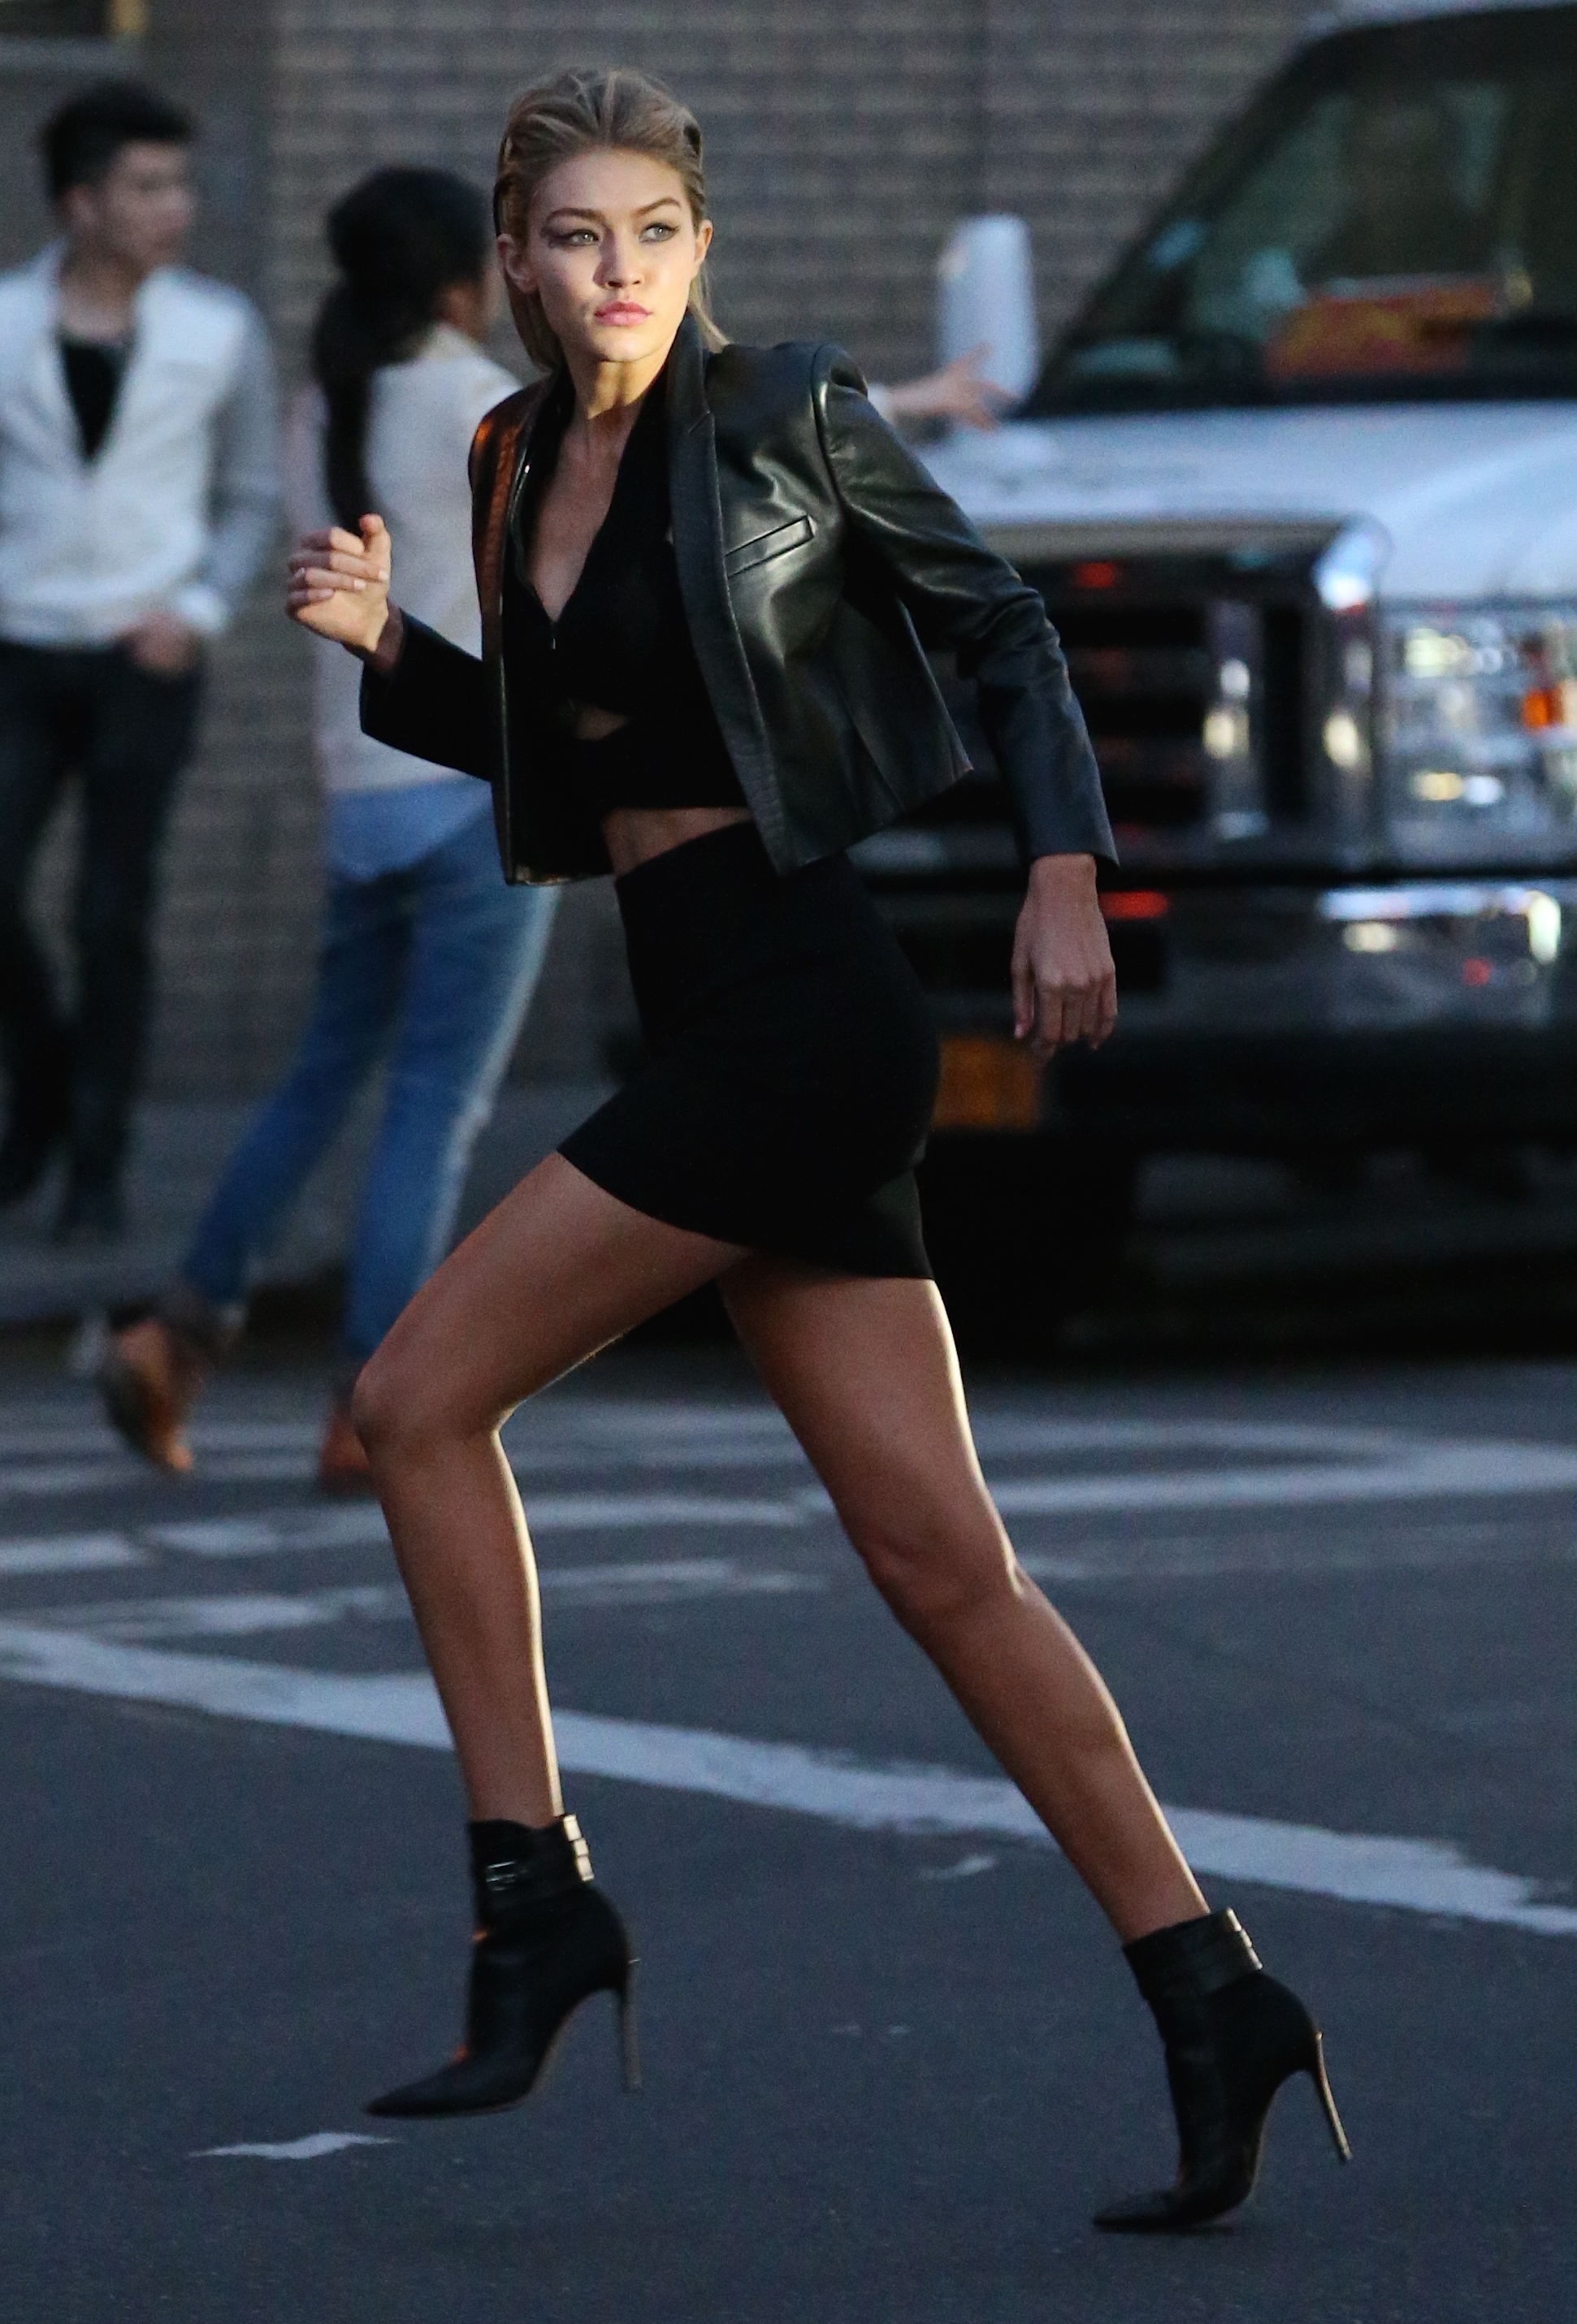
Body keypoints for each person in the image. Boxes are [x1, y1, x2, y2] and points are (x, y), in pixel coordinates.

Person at [285, 67, 1350, 2231]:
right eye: (573, 235)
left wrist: (1063, 868)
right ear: (514, 256)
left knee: (411, 1402)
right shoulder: (508, 459)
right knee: (942, 1567)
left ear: (697, 244)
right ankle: (1213, 1987)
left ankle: (533, 1908)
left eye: (652, 232)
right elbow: (568, 757)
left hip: (801, 1014)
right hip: (711, 1010)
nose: (615, 271)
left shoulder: (783, 412)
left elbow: (997, 623)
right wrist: (393, 647)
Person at [97, 167, 560, 1493]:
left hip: (362, 794)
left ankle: (177, 1333)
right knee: (436, 1105)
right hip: (475, 789)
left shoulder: (324, 404)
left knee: (322, 1078)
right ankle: (369, 1405)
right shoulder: (481, 404)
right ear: (461, 281)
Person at [0, 79, 280, 1242]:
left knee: (112, 915)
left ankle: (96, 1163)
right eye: (149, 186)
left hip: (145, 656)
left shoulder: (220, 330)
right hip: (16, 648)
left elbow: (252, 492)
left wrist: (200, 609)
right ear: (80, 203)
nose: (178, 207)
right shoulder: (3, 321)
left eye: (183, 183)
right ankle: (45, 1084)